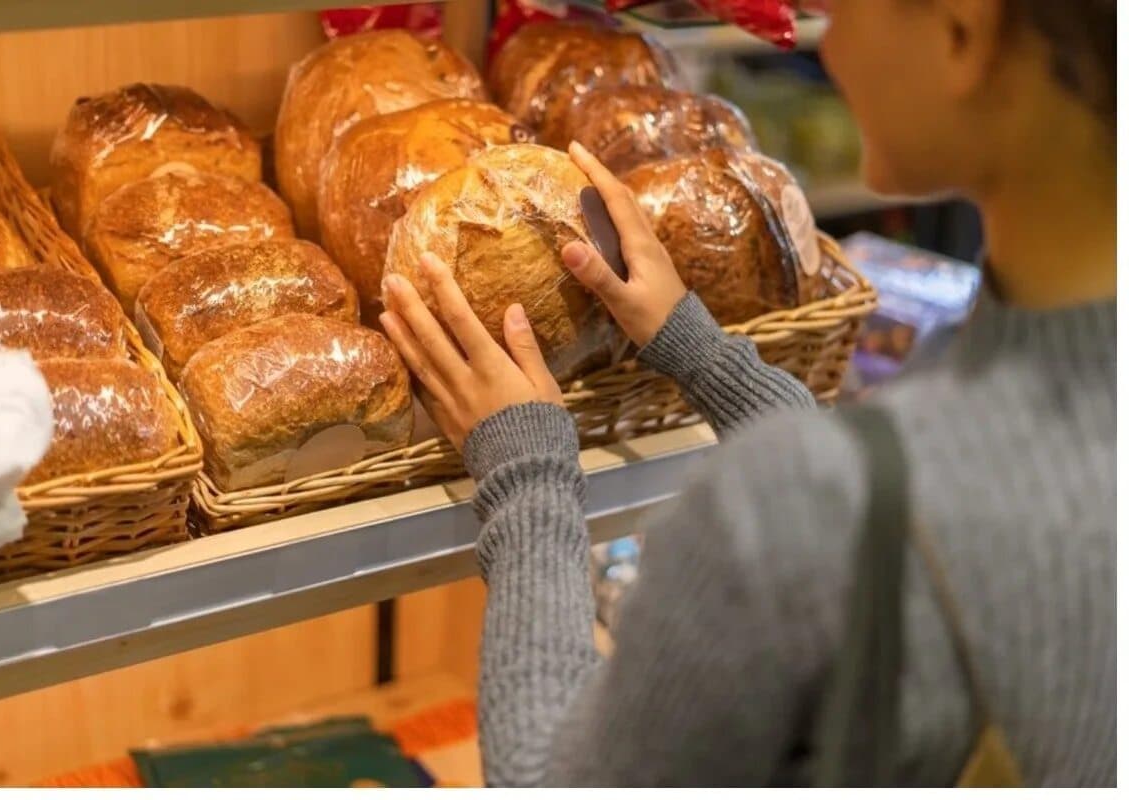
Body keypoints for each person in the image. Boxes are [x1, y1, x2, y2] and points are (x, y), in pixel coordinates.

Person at [377, 0, 1115, 787]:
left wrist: (524, 472)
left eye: (844, 10)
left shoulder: (784, 509)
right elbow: (885, 499)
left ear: (965, 33)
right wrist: (695, 349)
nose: (828, 48)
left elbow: (543, 780)